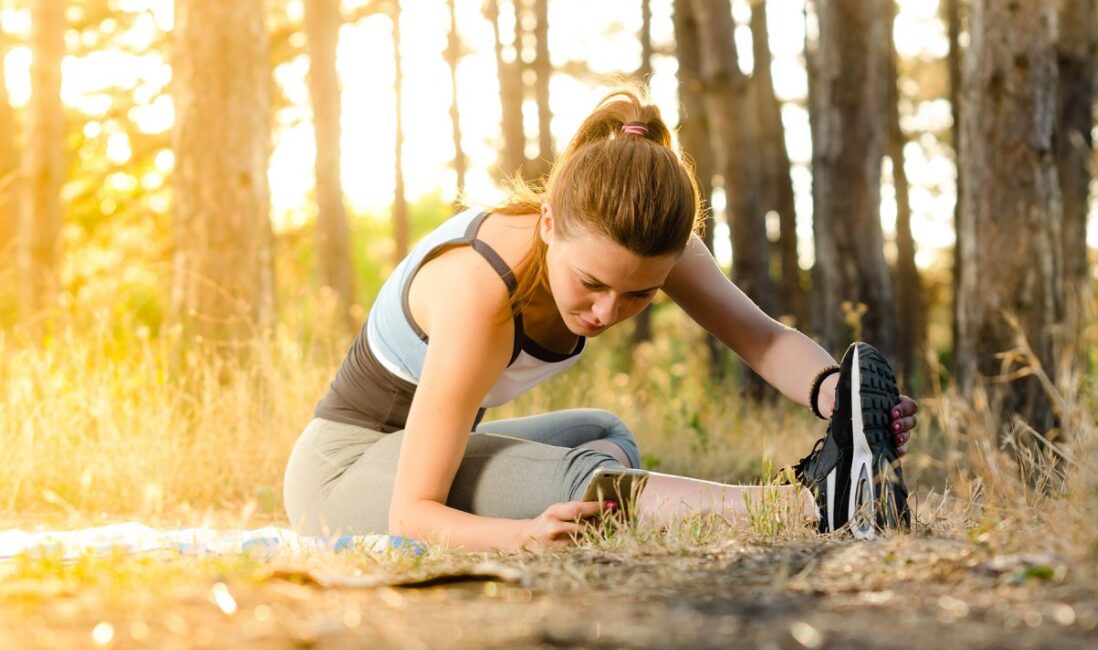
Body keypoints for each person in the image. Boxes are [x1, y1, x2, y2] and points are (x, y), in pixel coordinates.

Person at [282, 89, 919, 549]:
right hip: (342, 477)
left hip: (426, 454)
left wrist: (837, 396)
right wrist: (520, 534)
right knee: (584, 482)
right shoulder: (481, 290)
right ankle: (808, 506)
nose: (609, 312)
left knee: (604, 434)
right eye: (591, 284)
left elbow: (764, 339)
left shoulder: (646, 242)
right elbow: (411, 514)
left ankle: (838, 486)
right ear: (548, 223)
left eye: (640, 295)